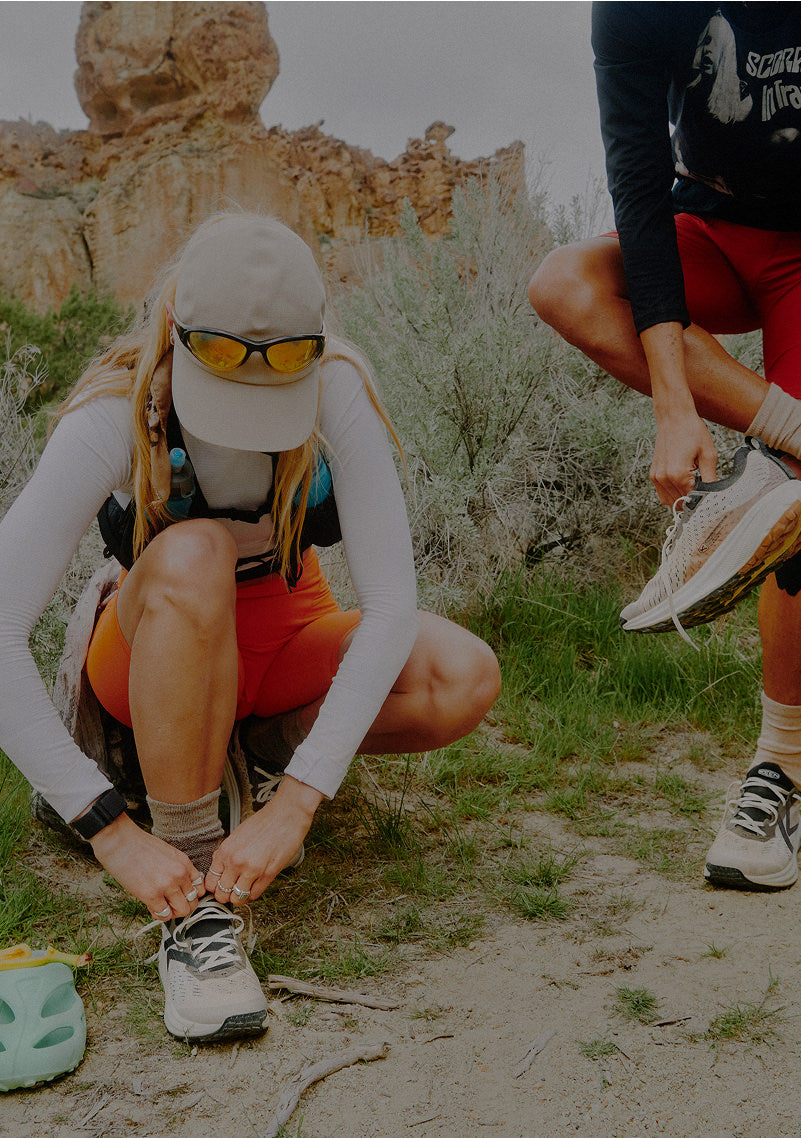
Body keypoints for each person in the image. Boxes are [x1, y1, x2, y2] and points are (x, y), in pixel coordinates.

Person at [0, 213, 501, 1042]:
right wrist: (110, 832)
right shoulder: (113, 414)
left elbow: (390, 606)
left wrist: (299, 801)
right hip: (157, 643)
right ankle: (195, 900)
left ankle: (261, 761)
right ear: (174, 327)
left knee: (462, 676)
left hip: (286, 629)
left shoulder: (337, 386)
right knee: (195, 552)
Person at [529, 3, 801, 891]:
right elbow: (637, 187)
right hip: (703, 229)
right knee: (564, 284)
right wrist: (675, 407)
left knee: (788, 493)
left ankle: (777, 774)